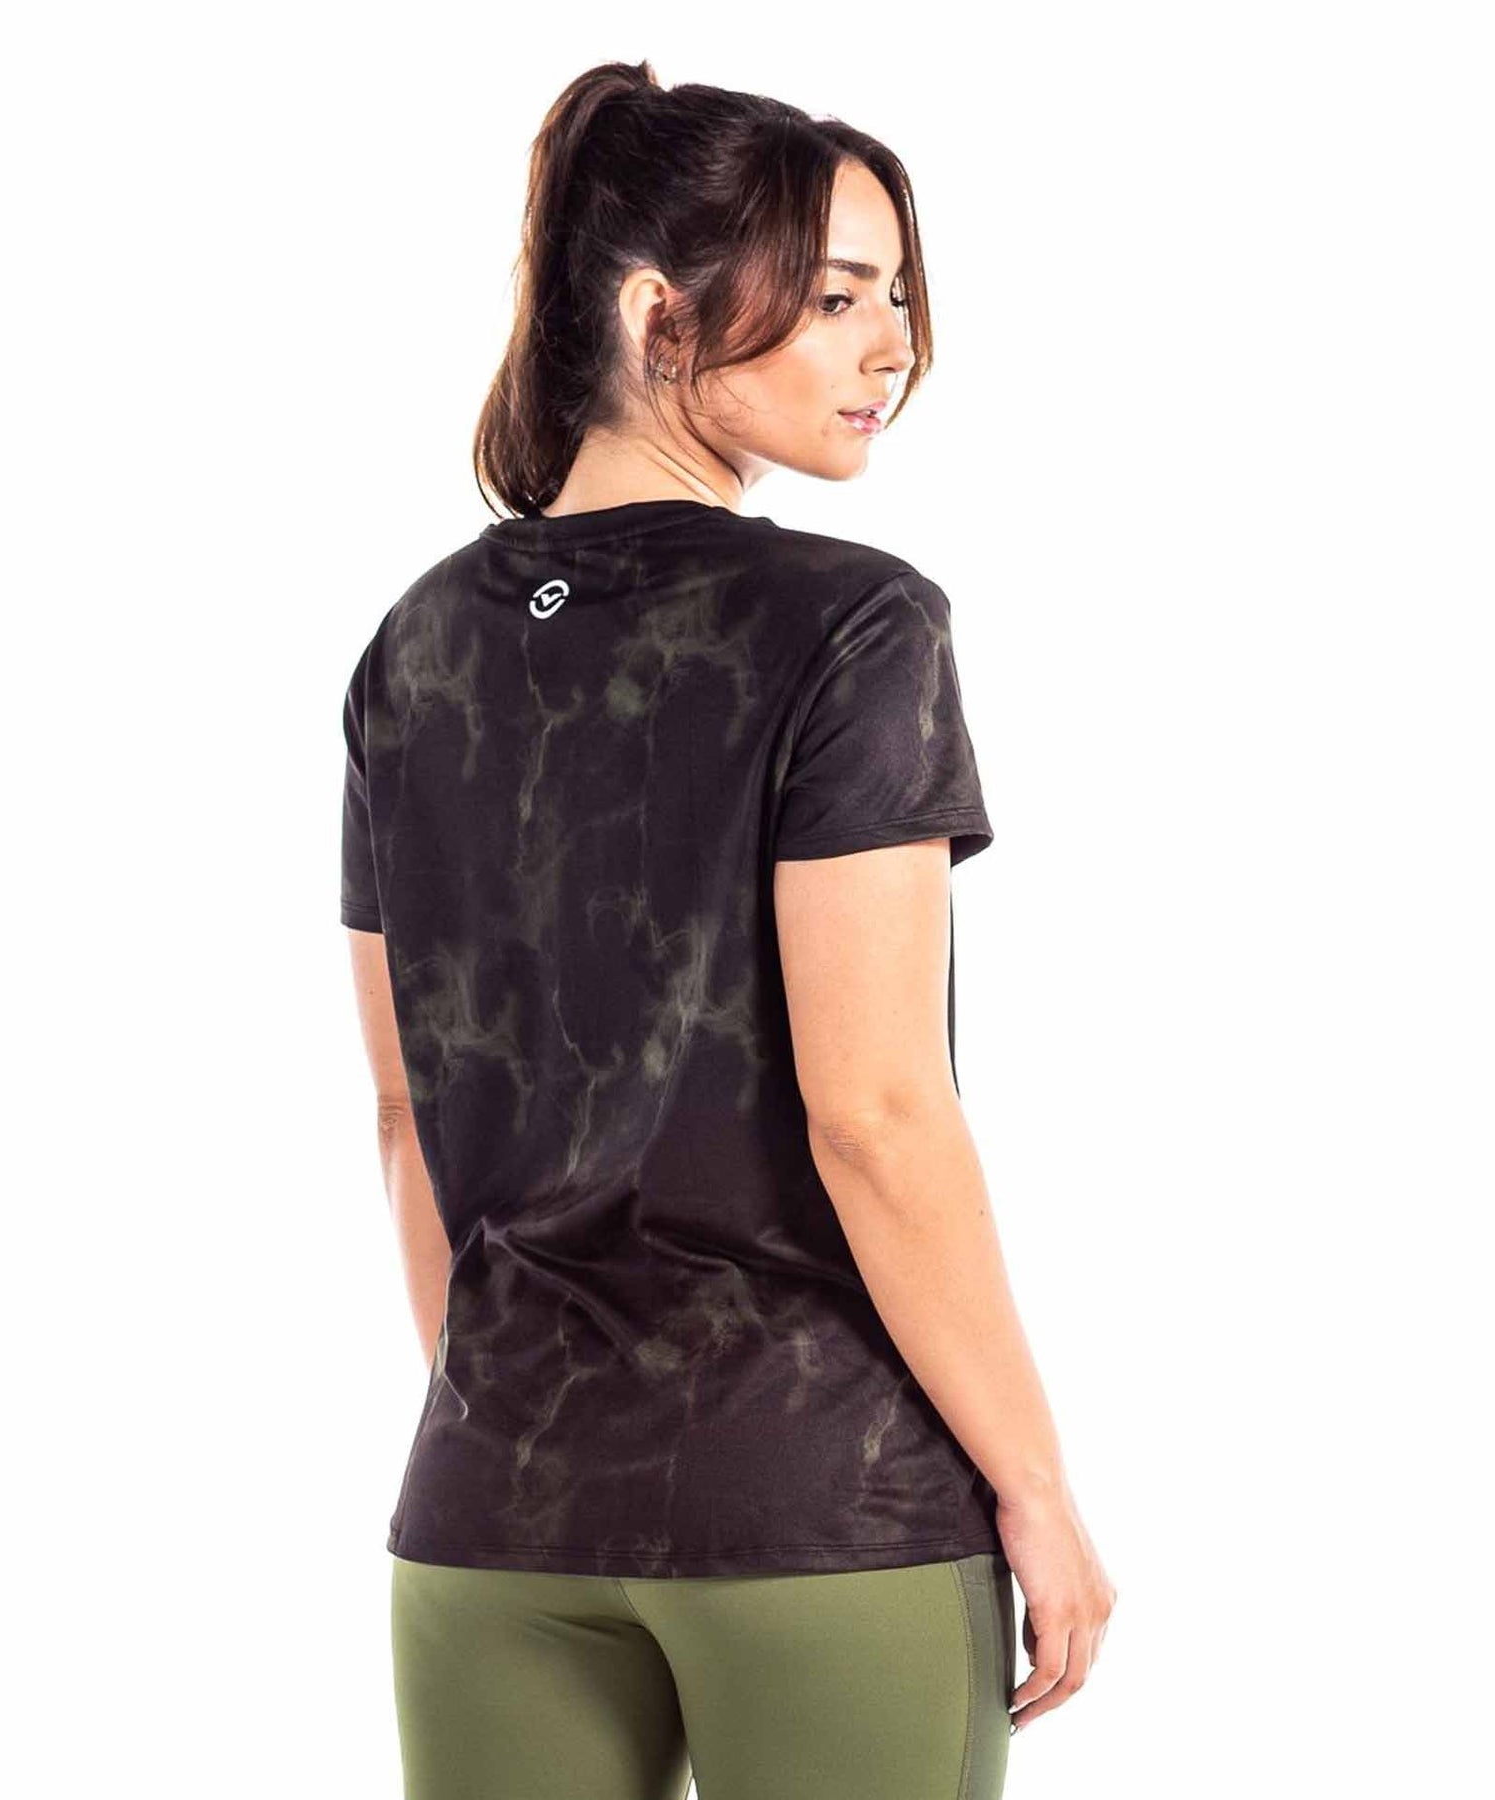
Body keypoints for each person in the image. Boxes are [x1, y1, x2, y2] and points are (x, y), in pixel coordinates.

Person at [341, 58, 1115, 1800]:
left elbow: (403, 1118)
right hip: (814, 1510)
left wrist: (516, 1423)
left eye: (896, 293)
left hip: (488, 1527)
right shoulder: (852, 627)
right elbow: (876, 1117)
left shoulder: (415, 645)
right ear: (659, 316)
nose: (892, 345)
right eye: (835, 298)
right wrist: (1036, 1490)